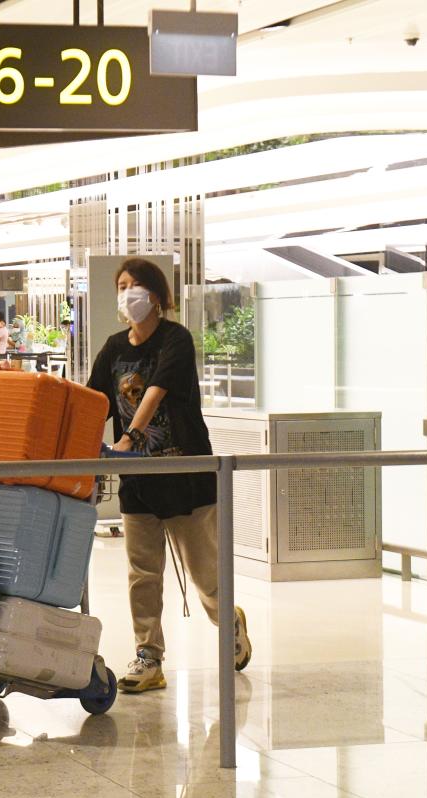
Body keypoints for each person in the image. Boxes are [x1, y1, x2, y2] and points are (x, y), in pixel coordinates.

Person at [87, 258, 252, 693]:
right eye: (121, 285)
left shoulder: (175, 339)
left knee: (206, 575)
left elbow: (156, 393)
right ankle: (149, 656)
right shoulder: (113, 348)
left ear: (156, 295)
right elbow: (93, 400)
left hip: (185, 475)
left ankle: (228, 620)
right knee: (142, 573)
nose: (127, 293)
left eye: (136, 285)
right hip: (139, 483)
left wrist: (130, 438)